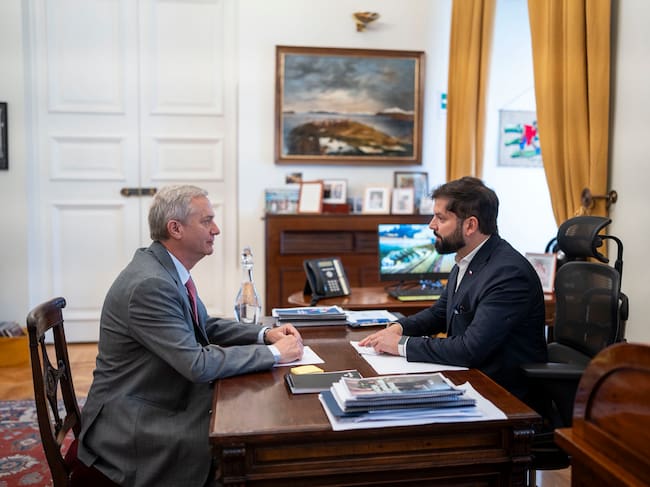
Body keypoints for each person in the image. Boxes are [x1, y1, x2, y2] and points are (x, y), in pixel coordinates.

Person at [77, 185, 304, 487]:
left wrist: (264, 334)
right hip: (132, 423)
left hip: (159, 394)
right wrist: (275, 354)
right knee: (249, 432)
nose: (216, 229)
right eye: (207, 221)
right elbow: (197, 364)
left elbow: (204, 326)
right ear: (175, 228)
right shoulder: (150, 285)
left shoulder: (164, 267)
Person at [360, 176, 547, 402]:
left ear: (470, 225)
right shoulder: (467, 259)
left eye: (440, 218)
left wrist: (401, 345)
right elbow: (440, 313)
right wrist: (399, 328)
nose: (431, 225)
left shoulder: (508, 274)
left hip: (502, 396)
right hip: (470, 380)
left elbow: (470, 349)